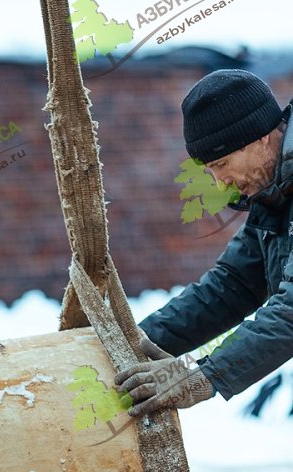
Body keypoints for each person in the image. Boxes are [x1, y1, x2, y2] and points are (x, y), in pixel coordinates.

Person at [118, 70, 293, 416]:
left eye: (221, 163)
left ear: (260, 139)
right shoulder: (276, 195)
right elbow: (234, 285)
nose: (220, 182)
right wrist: (133, 344)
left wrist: (203, 376)